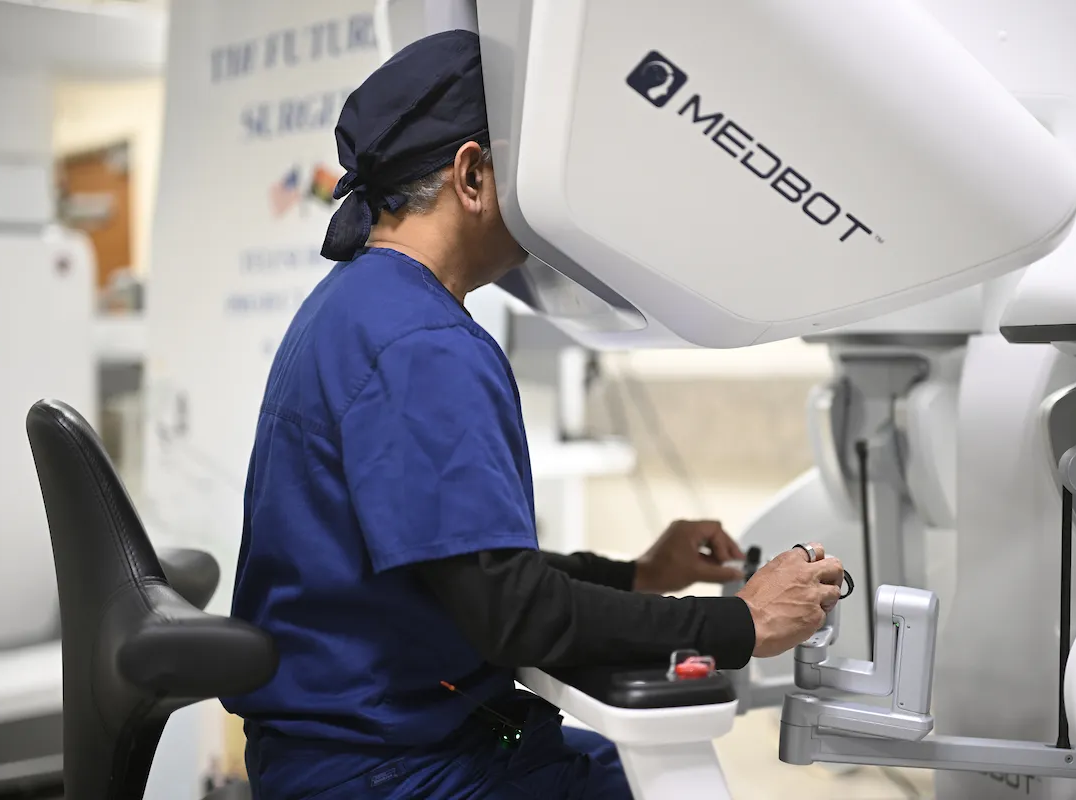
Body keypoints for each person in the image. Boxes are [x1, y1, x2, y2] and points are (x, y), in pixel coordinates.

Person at [223, 29, 845, 800]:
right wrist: (740, 624)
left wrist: (638, 574)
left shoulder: (354, 304)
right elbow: (513, 615)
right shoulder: (425, 344)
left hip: (346, 751)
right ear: (473, 174)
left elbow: (465, 571)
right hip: (396, 770)